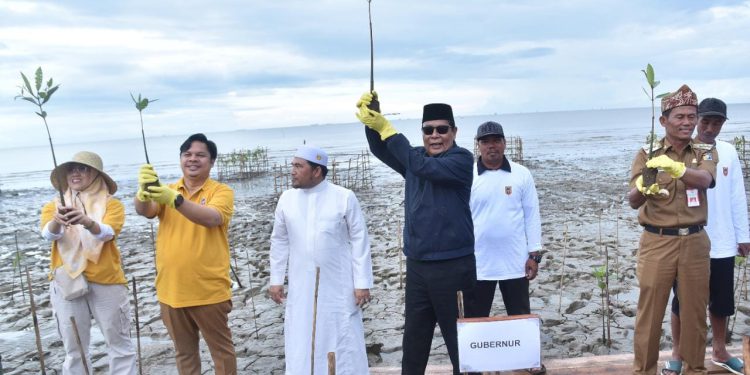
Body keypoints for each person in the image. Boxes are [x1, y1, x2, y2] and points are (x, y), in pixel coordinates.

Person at [356, 92, 476, 375]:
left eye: (442, 130)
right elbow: (382, 150)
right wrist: (372, 120)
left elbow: (422, 166)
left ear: (454, 132)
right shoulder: (415, 158)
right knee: (414, 342)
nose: (435, 135)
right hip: (418, 267)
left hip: (454, 267)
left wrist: (388, 128)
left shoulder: (461, 159)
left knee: (462, 344)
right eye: (428, 130)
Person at [628, 84, 717, 375]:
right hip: (657, 241)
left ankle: (695, 370)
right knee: (649, 315)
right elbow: (632, 200)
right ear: (664, 120)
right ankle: (644, 371)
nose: (688, 122)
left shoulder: (704, 150)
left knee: (693, 314)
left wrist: (677, 169)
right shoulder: (648, 153)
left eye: (692, 116)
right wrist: (644, 185)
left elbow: (705, 180)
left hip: (694, 242)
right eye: (680, 117)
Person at [134, 133, 236, 375]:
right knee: (184, 352)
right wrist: (143, 192)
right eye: (187, 154)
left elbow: (211, 218)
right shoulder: (167, 189)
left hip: (209, 291)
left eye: (200, 155)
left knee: (221, 351)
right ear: (180, 159)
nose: (193, 159)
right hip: (171, 290)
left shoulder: (221, 192)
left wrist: (175, 200)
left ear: (211, 162)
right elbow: (145, 211)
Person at [269, 145, 374, 374]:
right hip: (300, 286)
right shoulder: (286, 199)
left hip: (339, 286)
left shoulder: (344, 197)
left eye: (298, 166)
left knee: (341, 333)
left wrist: (362, 283)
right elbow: (279, 241)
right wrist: (276, 280)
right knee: (301, 333)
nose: (292, 171)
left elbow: (359, 239)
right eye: (293, 165)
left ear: (316, 171)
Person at [665, 98, 750, 375]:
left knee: (721, 302)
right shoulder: (680, 151)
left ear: (723, 124)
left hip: (723, 241)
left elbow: (737, 195)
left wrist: (743, 234)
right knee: (682, 301)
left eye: (717, 123)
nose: (710, 128)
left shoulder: (728, 152)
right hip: (688, 240)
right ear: (694, 119)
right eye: (705, 121)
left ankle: (721, 351)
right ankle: (678, 352)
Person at [41, 151, 137, 374]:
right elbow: (48, 235)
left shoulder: (112, 205)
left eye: (83, 168)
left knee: (119, 343)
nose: (75, 173)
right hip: (67, 281)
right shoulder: (54, 206)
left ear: (95, 174)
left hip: (106, 280)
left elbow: (108, 234)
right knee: (74, 349)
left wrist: (86, 221)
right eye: (71, 169)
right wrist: (57, 222)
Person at [463, 121, 545, 374]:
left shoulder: (521, 173)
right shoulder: (467, 174)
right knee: (475, 317)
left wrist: (534, 255)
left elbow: (532, 215)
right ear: (478, 145)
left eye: (496, 140)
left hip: (515, 260)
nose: (492, 146)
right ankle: (473, 364)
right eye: (486, 141)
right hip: (478, 262)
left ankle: (528, 361)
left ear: (504, 143)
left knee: (520, 314)